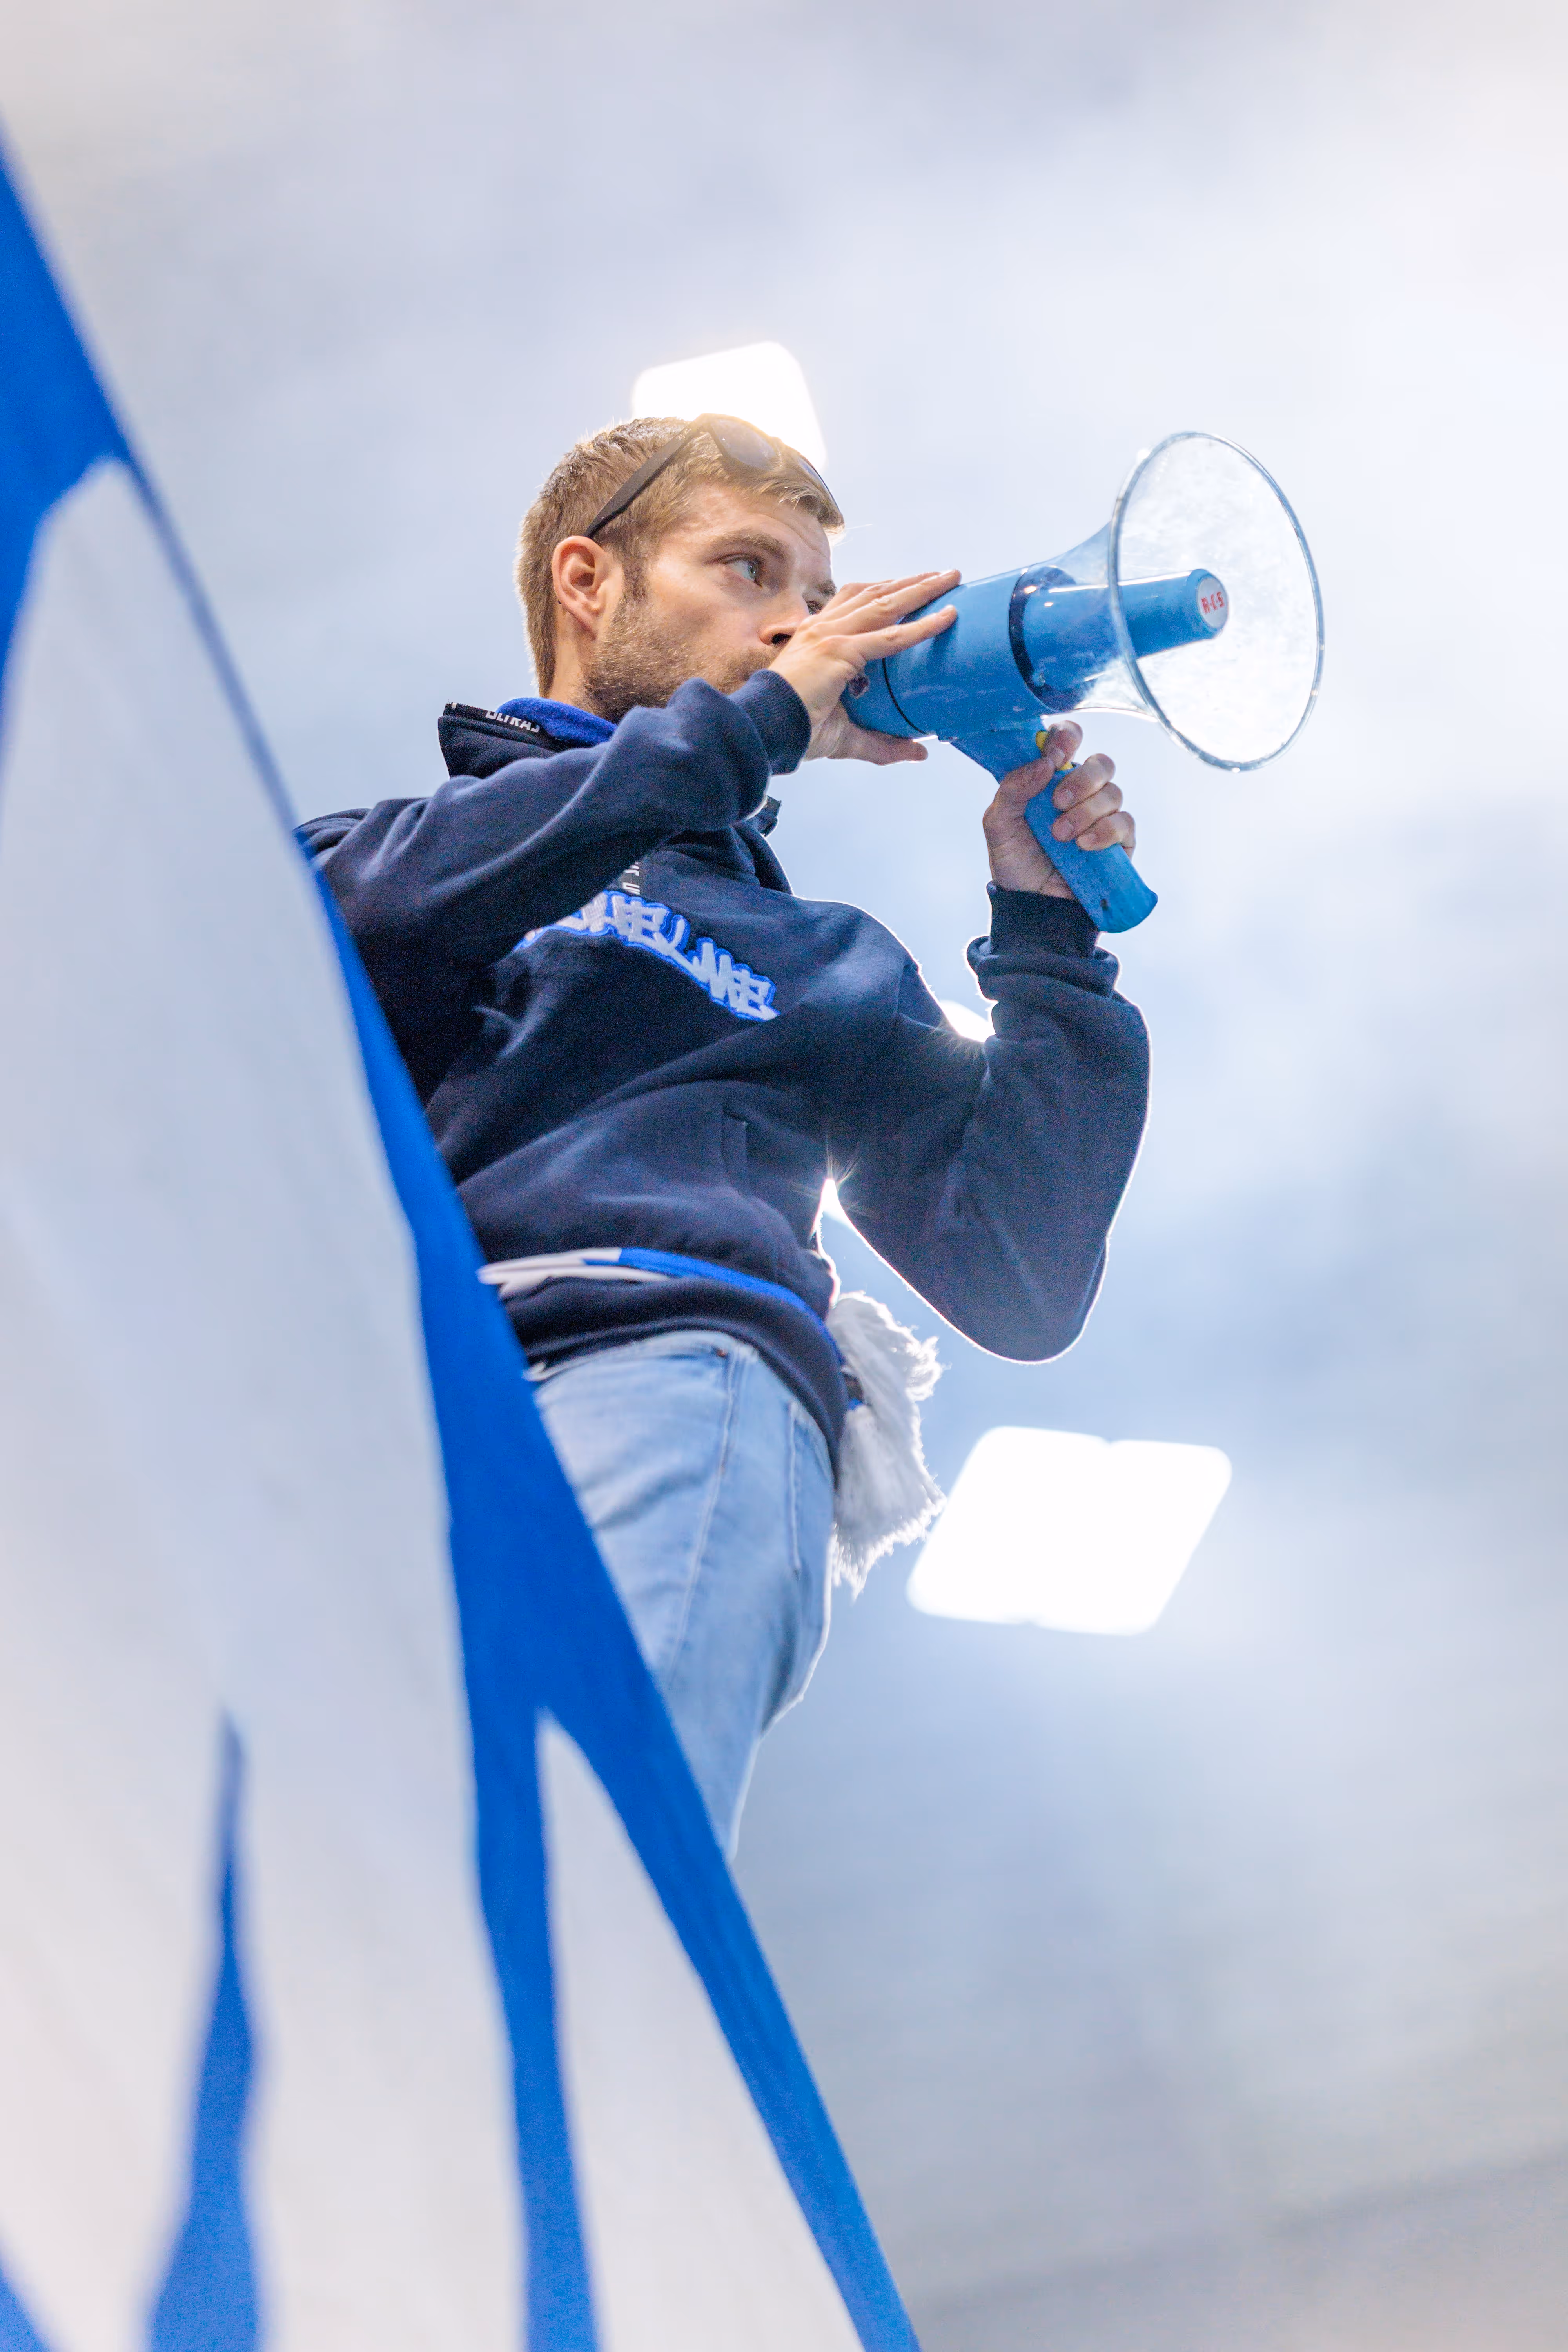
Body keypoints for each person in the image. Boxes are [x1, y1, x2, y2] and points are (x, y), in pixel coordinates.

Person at [301, 414, 1149, 1850]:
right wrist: (747, 727)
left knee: (581, 1840)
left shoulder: (826, 958)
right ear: (590, 583)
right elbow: (332, 939)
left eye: (819, 599)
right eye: (748, 569)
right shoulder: (407, 850)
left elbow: (1018, 1273)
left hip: (678, 1358)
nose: (799, 625)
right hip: (394, 1391)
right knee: (351, 1870)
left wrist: (1050, 942)